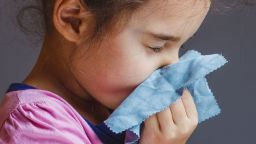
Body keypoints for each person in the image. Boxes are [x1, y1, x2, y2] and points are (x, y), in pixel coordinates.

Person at [0, 0, 211, 143]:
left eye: (180, 47)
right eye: (156, 46)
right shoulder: (35, 127)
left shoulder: (117, 111)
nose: (172, 66)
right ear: (74, 21)